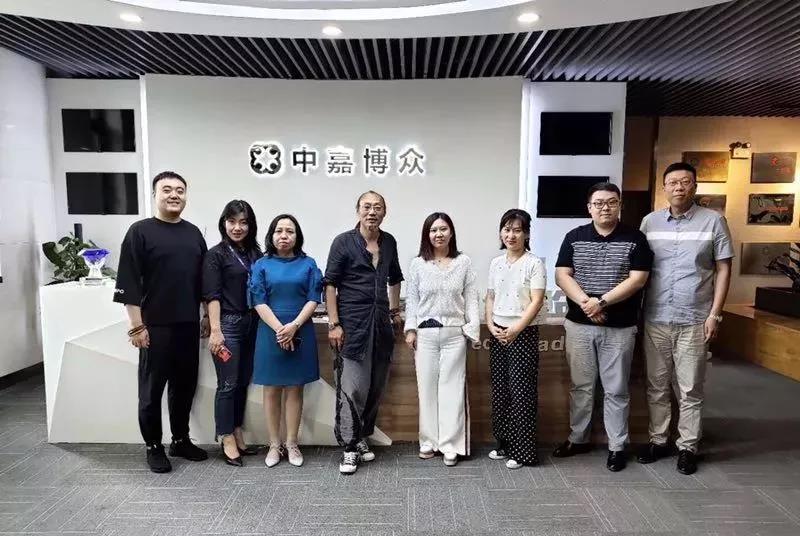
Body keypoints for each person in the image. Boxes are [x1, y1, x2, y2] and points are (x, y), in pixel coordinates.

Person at [638, 162, 733, 475]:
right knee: (656, 385)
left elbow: (723, 269)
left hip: (695, 317)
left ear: (695, 186)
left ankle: (688, 446)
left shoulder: (714, 221)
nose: (679, 187)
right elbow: (639, 268)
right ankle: (658, 440)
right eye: (673, 182)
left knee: (690, 388)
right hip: (655, 317)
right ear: (664, 187)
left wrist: (715, 314)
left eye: (685, 182)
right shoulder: (650, 222)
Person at [552, 182, 653, 472]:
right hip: (579, 326)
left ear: (620, 205)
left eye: (611, 202)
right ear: (589, 208)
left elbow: (638, 279)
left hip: (619, 327)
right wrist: (588, 303)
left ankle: (617, 446)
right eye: (598, 203)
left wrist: (602, 302)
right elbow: (562, 275)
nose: (604, 208)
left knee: (616, 389)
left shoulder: (636, 238)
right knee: (581, 387)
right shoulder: (574, 237)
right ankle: (578, 438)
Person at [114, 171, 209, 473]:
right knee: (151, 390)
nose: (174, 195)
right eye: (167, 189)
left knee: (184, 387)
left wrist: (207, 315)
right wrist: (136, 326)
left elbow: (203, 281)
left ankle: (180, 439)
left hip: (187, 325)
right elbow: (128, 281)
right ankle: (153, 445)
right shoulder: (139, 232)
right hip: (154, 327)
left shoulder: (193, 233)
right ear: (155, 194)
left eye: (180, 190)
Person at [324, 191, 404, 474]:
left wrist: (394, 311)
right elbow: (330, 284)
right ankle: (348, 447)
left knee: (375, 385)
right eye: (367, 207)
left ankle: (360, 437)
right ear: (358, 210)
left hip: (380, 324)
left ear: (385, 212)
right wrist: (334, 324)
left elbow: (395, 277)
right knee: (353, 386)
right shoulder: (343, 242)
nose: (372, 212)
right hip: (352, 324)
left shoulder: (389, 241)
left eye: (377, 207)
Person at [404, 212, 479, 467]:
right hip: (425, 334)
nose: (439, 234)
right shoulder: (418, 264)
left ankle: (450, 444)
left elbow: (471, 298)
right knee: (426, 389)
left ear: (451, 232)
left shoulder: (463, 262)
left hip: (454, 334)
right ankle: (428, 441)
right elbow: (412, 299)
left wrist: (472, 330)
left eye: (443, 229)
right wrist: (410, 329)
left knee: (452, 389)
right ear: (427, 234)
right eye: (433, 230)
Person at [250, 214, 322, 468]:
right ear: (271, 235)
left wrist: (294, 326)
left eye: (289, 231)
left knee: (295, 388)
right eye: (279, 231)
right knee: (271, 389)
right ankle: (274, 444)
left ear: (297, 236)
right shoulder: (261, 264)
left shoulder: (309, 264)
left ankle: (292, 443)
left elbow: (314, 298)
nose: (284, 236)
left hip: (300, 328)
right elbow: (258, 300)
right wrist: (281, 330)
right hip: (270, 329)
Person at [485, 209, 546, 469]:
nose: (511, 235)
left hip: (523, 333)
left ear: (527, 234)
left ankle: (523, 453)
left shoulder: (534, 263)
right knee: (501, 391)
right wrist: (490, 324)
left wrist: (516, 329)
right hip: (498, 332)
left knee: (522, 393)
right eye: (507, 229)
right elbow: (490, 297)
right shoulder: (496, 263)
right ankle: (504, 444)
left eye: (517, 230)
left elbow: (537, 301)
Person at [203, 200, 262, 467]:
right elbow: (212, 296)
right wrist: (216, 330)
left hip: (253, 323)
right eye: (232, 222)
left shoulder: (255, 253)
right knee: (227, 384)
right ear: (223, 223)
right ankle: (225, 436)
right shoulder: (216, 255)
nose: (237, 228)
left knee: (242, 382)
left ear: (251, 225)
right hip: (228, 325)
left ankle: (237, 430)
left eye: (243, 222)